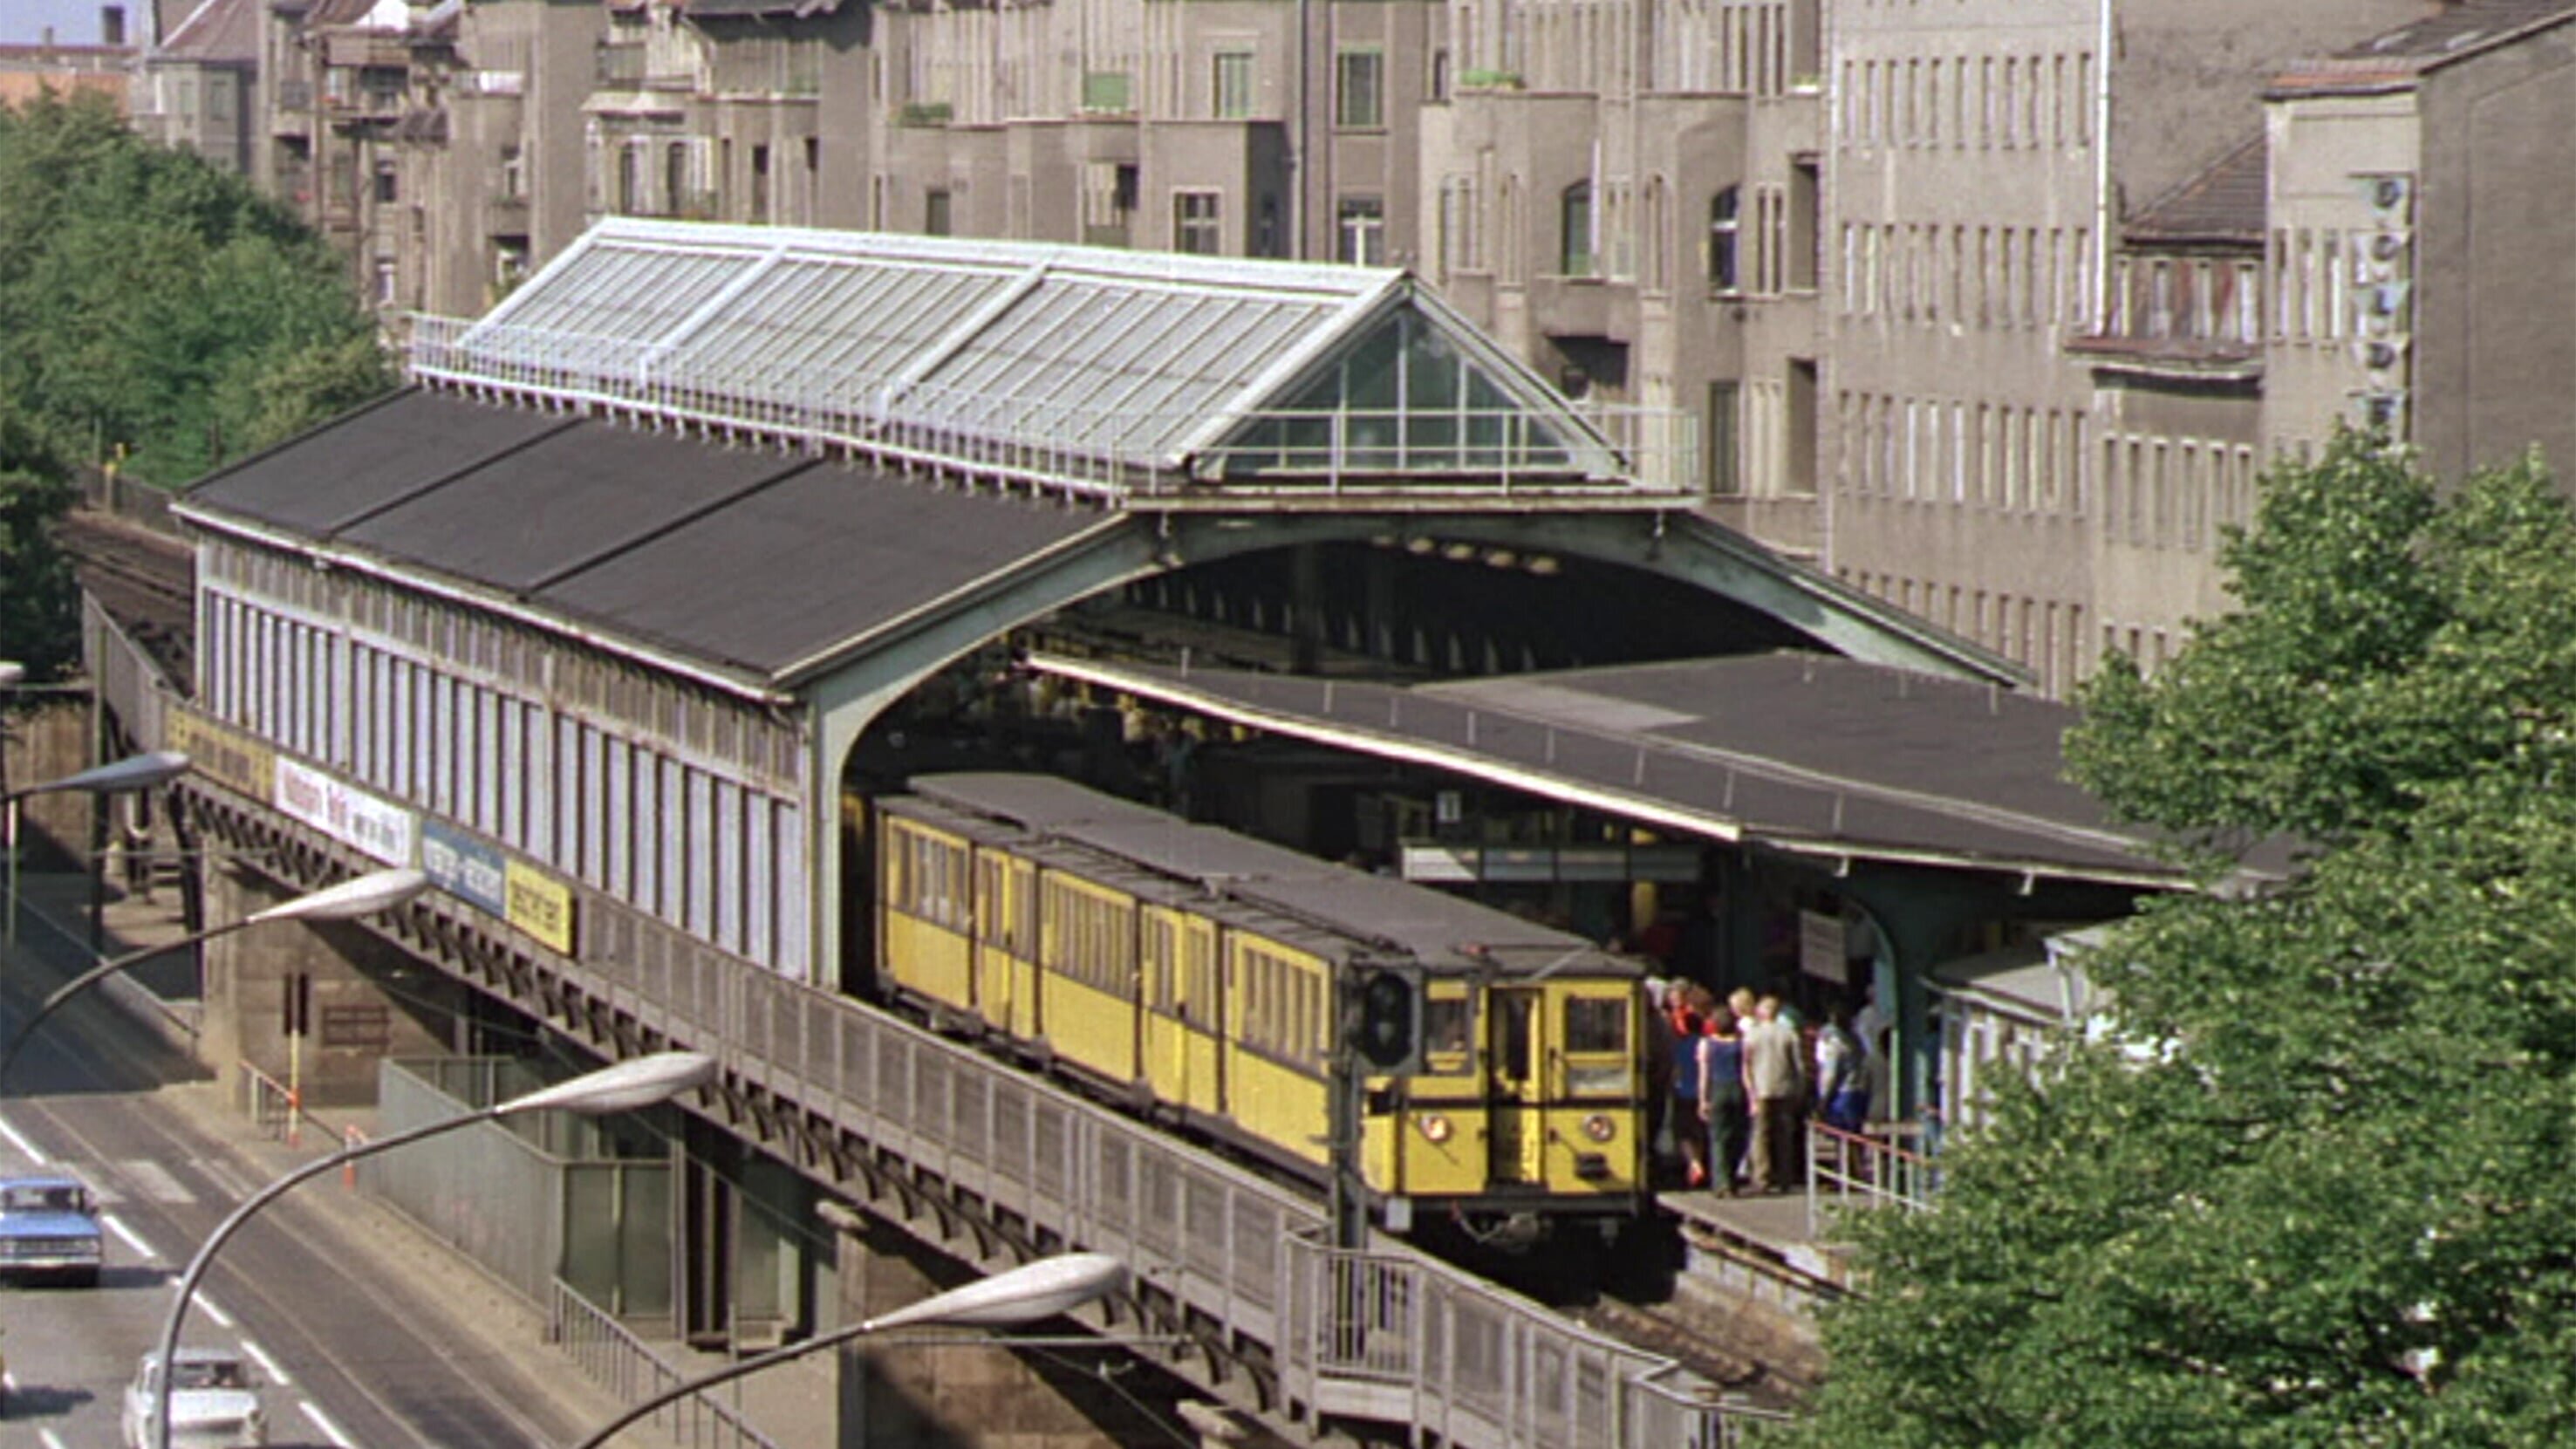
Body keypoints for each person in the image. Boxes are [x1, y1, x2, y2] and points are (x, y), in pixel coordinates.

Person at [1742, 994, 1807, 1193]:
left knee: (1760, 1135)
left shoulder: (1752, 1034)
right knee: (1784, 1135)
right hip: (1785, 1089)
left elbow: (1746, 1065)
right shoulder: (1789, 1034)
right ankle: (1785, 1177)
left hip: (1761, 1089)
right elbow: (1799, 1065)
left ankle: (1762, 1178)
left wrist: (1750, 1091)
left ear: (1762, 1012)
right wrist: (1800, 1089)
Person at [1697, 1007, 1749, 1194]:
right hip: (1737, 1089)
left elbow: (1704, 1074)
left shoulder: (1706, 1044)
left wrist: (1703, 1099)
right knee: (1737, 1136)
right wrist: (1752, 1097)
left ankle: (1721, 1183)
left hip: (1717, 1089)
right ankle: (1733, 1178)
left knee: (1718, 1138)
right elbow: (1745, 1073)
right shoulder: (1741, 1044)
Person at [1668, 986, 1714, 1187]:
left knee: (1683, 1132)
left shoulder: (1680, 1046)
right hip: (1703, 1094)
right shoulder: (1707, 1044)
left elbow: (1675, 1070)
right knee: (1700, 1132)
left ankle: (1693, 1163)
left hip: (1683, 1092)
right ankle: (1701, 1160)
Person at [1814, 1008, 1867, 1133]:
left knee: (1840, 1134)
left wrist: (1823, 1098)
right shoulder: (1855, 1041)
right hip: (1858, 1089)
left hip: (1841, 1094)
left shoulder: (1833, 1043)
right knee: (1854, 1135)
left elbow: (1831, 1074)